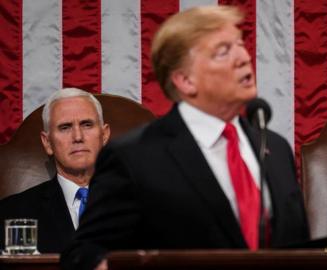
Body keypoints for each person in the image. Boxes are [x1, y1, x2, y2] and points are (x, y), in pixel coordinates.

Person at [61, 5, 309, 270]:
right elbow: (83, 254)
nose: (243, 57)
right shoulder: (135, 157)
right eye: (223, 51)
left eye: (240, 44)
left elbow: (298, 248)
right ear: (185, 81)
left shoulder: (275, 147)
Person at [0, 88, 110, 253]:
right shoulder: (9, 214)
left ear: (104, 135)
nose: (78, 136)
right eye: (65, 127)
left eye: (87, 125)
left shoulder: (143, 204)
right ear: (47, 143)